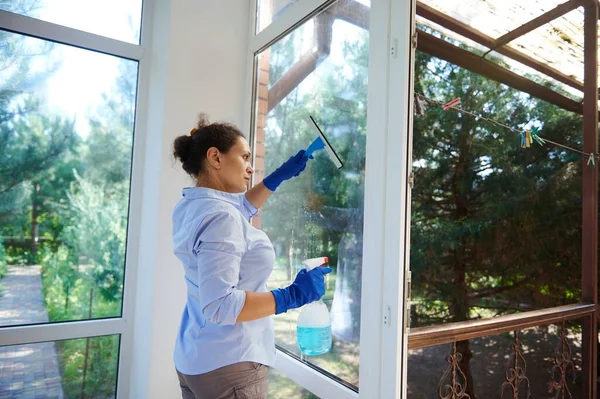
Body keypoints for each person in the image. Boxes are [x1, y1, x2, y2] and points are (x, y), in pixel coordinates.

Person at [171, 114, 331, 399]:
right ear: (215, 158)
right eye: (244, 157)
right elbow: (220, 305)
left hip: (195, 358)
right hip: (229, 365)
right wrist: (293, 295)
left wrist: (276, 179)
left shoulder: (192, 205)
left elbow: (236, 211)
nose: (250, 167)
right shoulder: (221, 217)